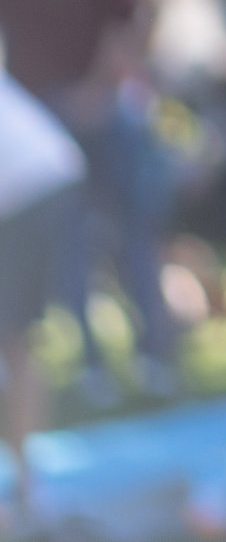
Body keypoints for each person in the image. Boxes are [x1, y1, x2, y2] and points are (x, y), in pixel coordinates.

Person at [0, 0, 179, 403]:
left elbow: (136, 6)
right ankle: (104, 361)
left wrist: (108, 81)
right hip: (53, 112)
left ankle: (151, 351)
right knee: (82, 244)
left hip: (88, 104)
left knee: (125, 232)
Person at [0, 70, 84, 527]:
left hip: (30, 189)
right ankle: (26, 487)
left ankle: (27, 488)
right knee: (15, 341)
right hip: (32, 184)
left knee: (16, 341)